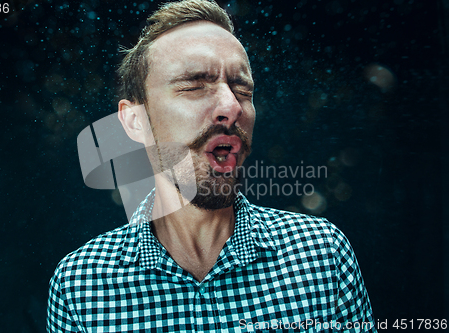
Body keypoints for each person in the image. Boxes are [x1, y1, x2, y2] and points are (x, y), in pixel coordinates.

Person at [47, 0, 376, 331]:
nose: (231, 107)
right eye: (194, 85)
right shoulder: (80, 286)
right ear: (134, 122)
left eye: (242, 89)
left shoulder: (322, 257)